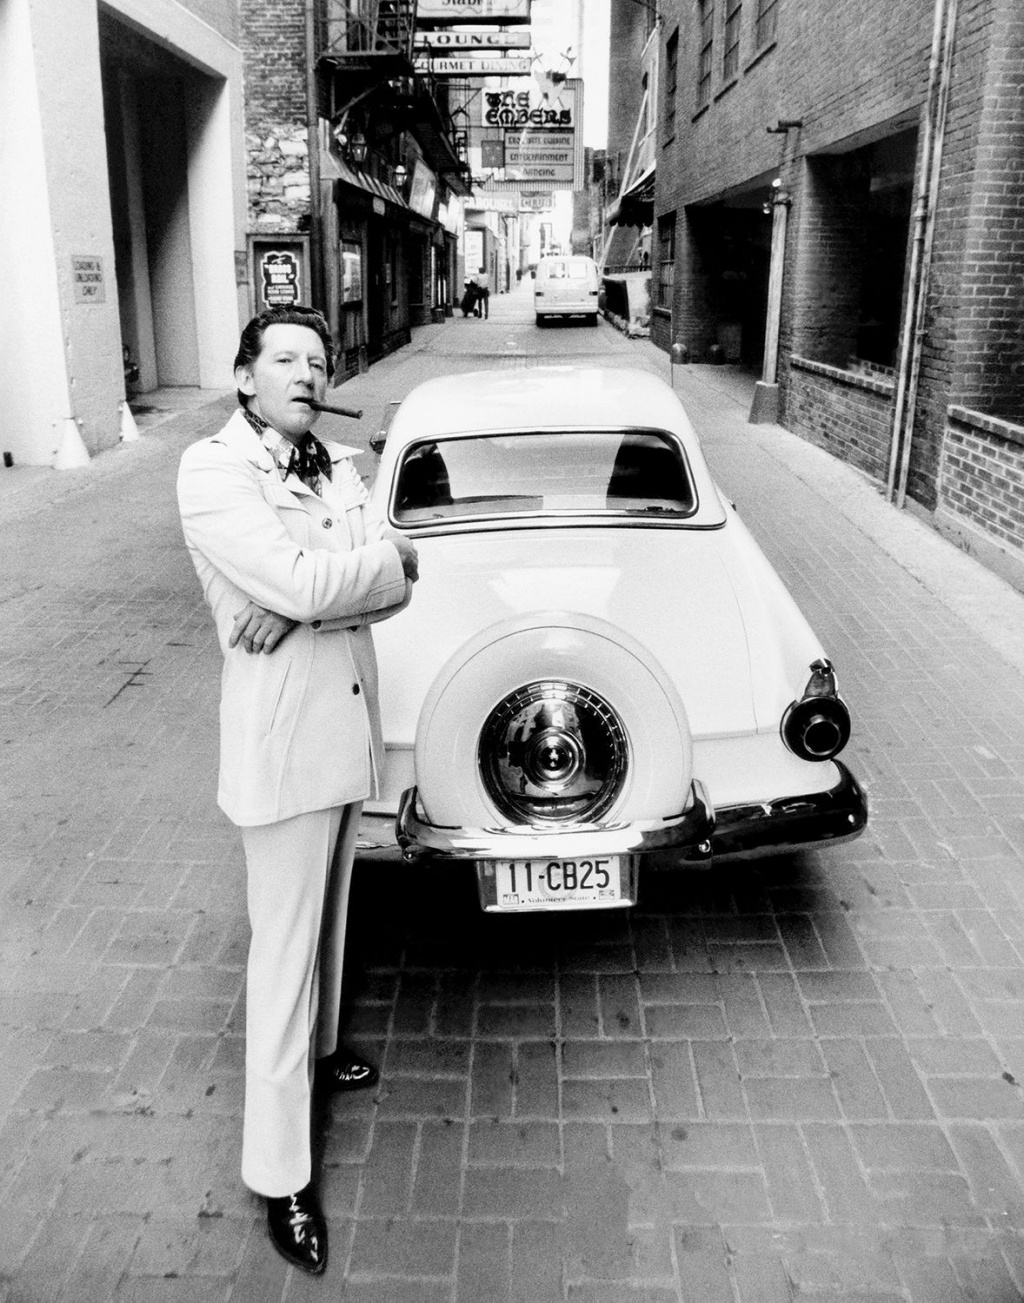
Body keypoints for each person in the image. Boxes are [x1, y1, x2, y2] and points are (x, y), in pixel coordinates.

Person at [176, 305, 418, 1276]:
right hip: (280, 750)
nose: (307, 374)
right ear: (245, 377)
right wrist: (322, 583)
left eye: (318, 361)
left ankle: (320, 1060)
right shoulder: (213, 468)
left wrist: (311, 590)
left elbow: (389, 581)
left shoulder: (337, 464)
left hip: (341, 729)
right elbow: (307, 581)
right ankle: (280, 1174)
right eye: (285, 359)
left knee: (328, 927)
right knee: (281, 957)